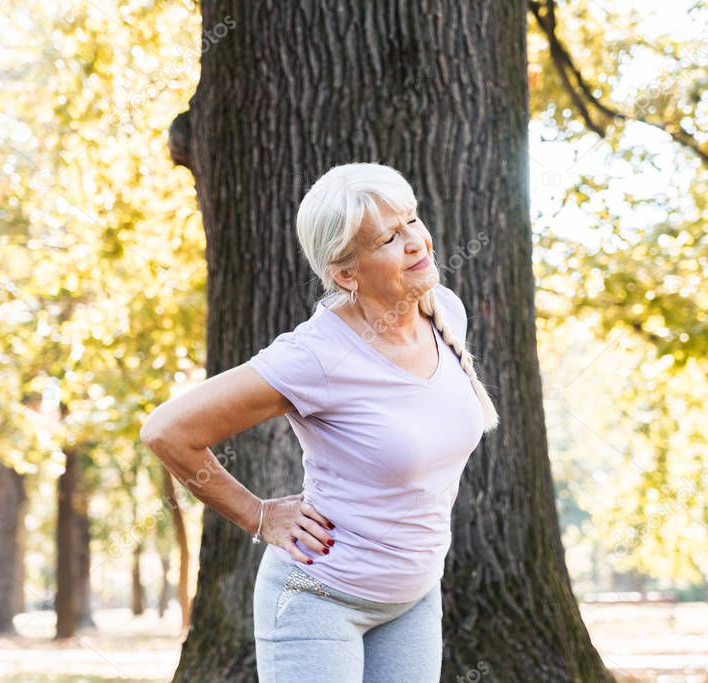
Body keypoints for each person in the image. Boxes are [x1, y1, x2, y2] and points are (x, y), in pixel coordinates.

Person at [140, 162, 499, 682]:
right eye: (389, 238)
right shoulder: (315, 356)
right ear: (346, 273)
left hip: (414, 598)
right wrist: (258, 515)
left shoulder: (443, 311)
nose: (417, 242)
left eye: (413, 221)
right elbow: (167, 431)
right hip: (318, 598)